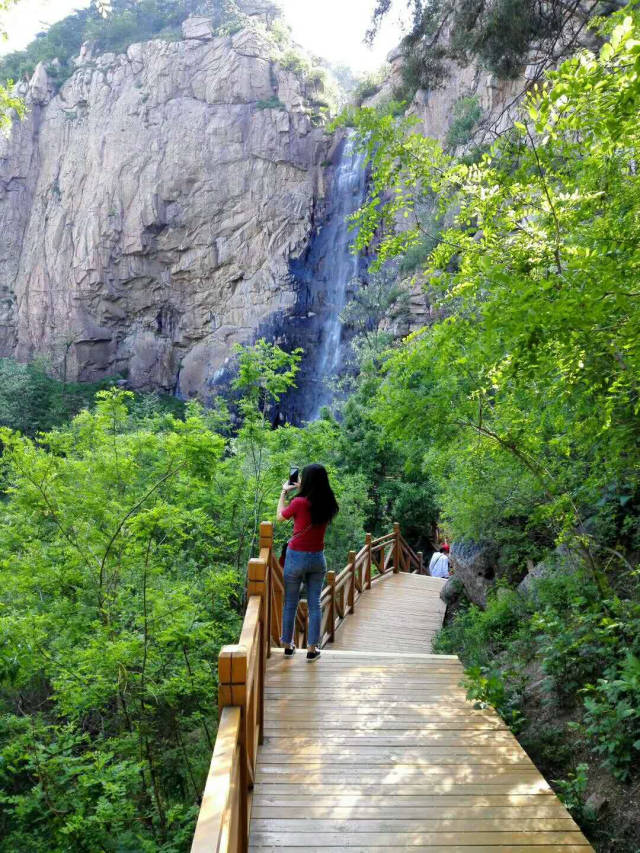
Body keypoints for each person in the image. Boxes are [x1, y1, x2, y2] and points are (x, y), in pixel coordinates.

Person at [277, 463, 339, 662]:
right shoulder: (329, 503)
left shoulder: (299, 502)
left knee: (291, 604)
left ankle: (287, 646)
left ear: (307, 480)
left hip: (296, 557)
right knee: (315, 604)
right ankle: (312, 649)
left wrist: (284, 493)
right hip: (317, 557)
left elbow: (280, 517)